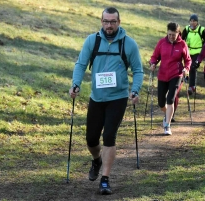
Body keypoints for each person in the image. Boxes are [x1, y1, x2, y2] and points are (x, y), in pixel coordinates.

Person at [69, 7, 143, 195]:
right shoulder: (92, 41)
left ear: (119, 22)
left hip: (117, 98)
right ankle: (96, 160)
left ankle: (105, 179)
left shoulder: (129, 44)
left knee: (109, 136)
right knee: (91, 139)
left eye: (113, 21)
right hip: (97, 98)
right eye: (106, 21)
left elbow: (138, 70)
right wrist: (75, 84)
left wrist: (135, 90)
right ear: (101, 21)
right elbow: (81, 64)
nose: (109, 25)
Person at [149, 22, 191, 135]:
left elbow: (188, 60)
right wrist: (152, 63)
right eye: (170, 34)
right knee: (161, 102)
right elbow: (155, 56)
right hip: (162, 75)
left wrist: (186, 69)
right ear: (167, 32)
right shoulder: (162, 42)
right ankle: (167, 115)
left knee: (170, 99)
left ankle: (167, 125)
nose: (171, 37)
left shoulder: (182, 44)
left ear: (178, 33)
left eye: (174, 34)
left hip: (176, 74)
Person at [181, 14, 205, 95]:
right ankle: (187, 80)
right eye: (191, 21)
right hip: (188, 51)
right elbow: (181, 39)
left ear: (197, 22)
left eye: (194, 21)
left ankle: (191, 87)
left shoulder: (201, 30)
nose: (192, 23)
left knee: (193, 67)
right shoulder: (186, 29)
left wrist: (204, 52)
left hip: (198, 51)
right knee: (187, 66)